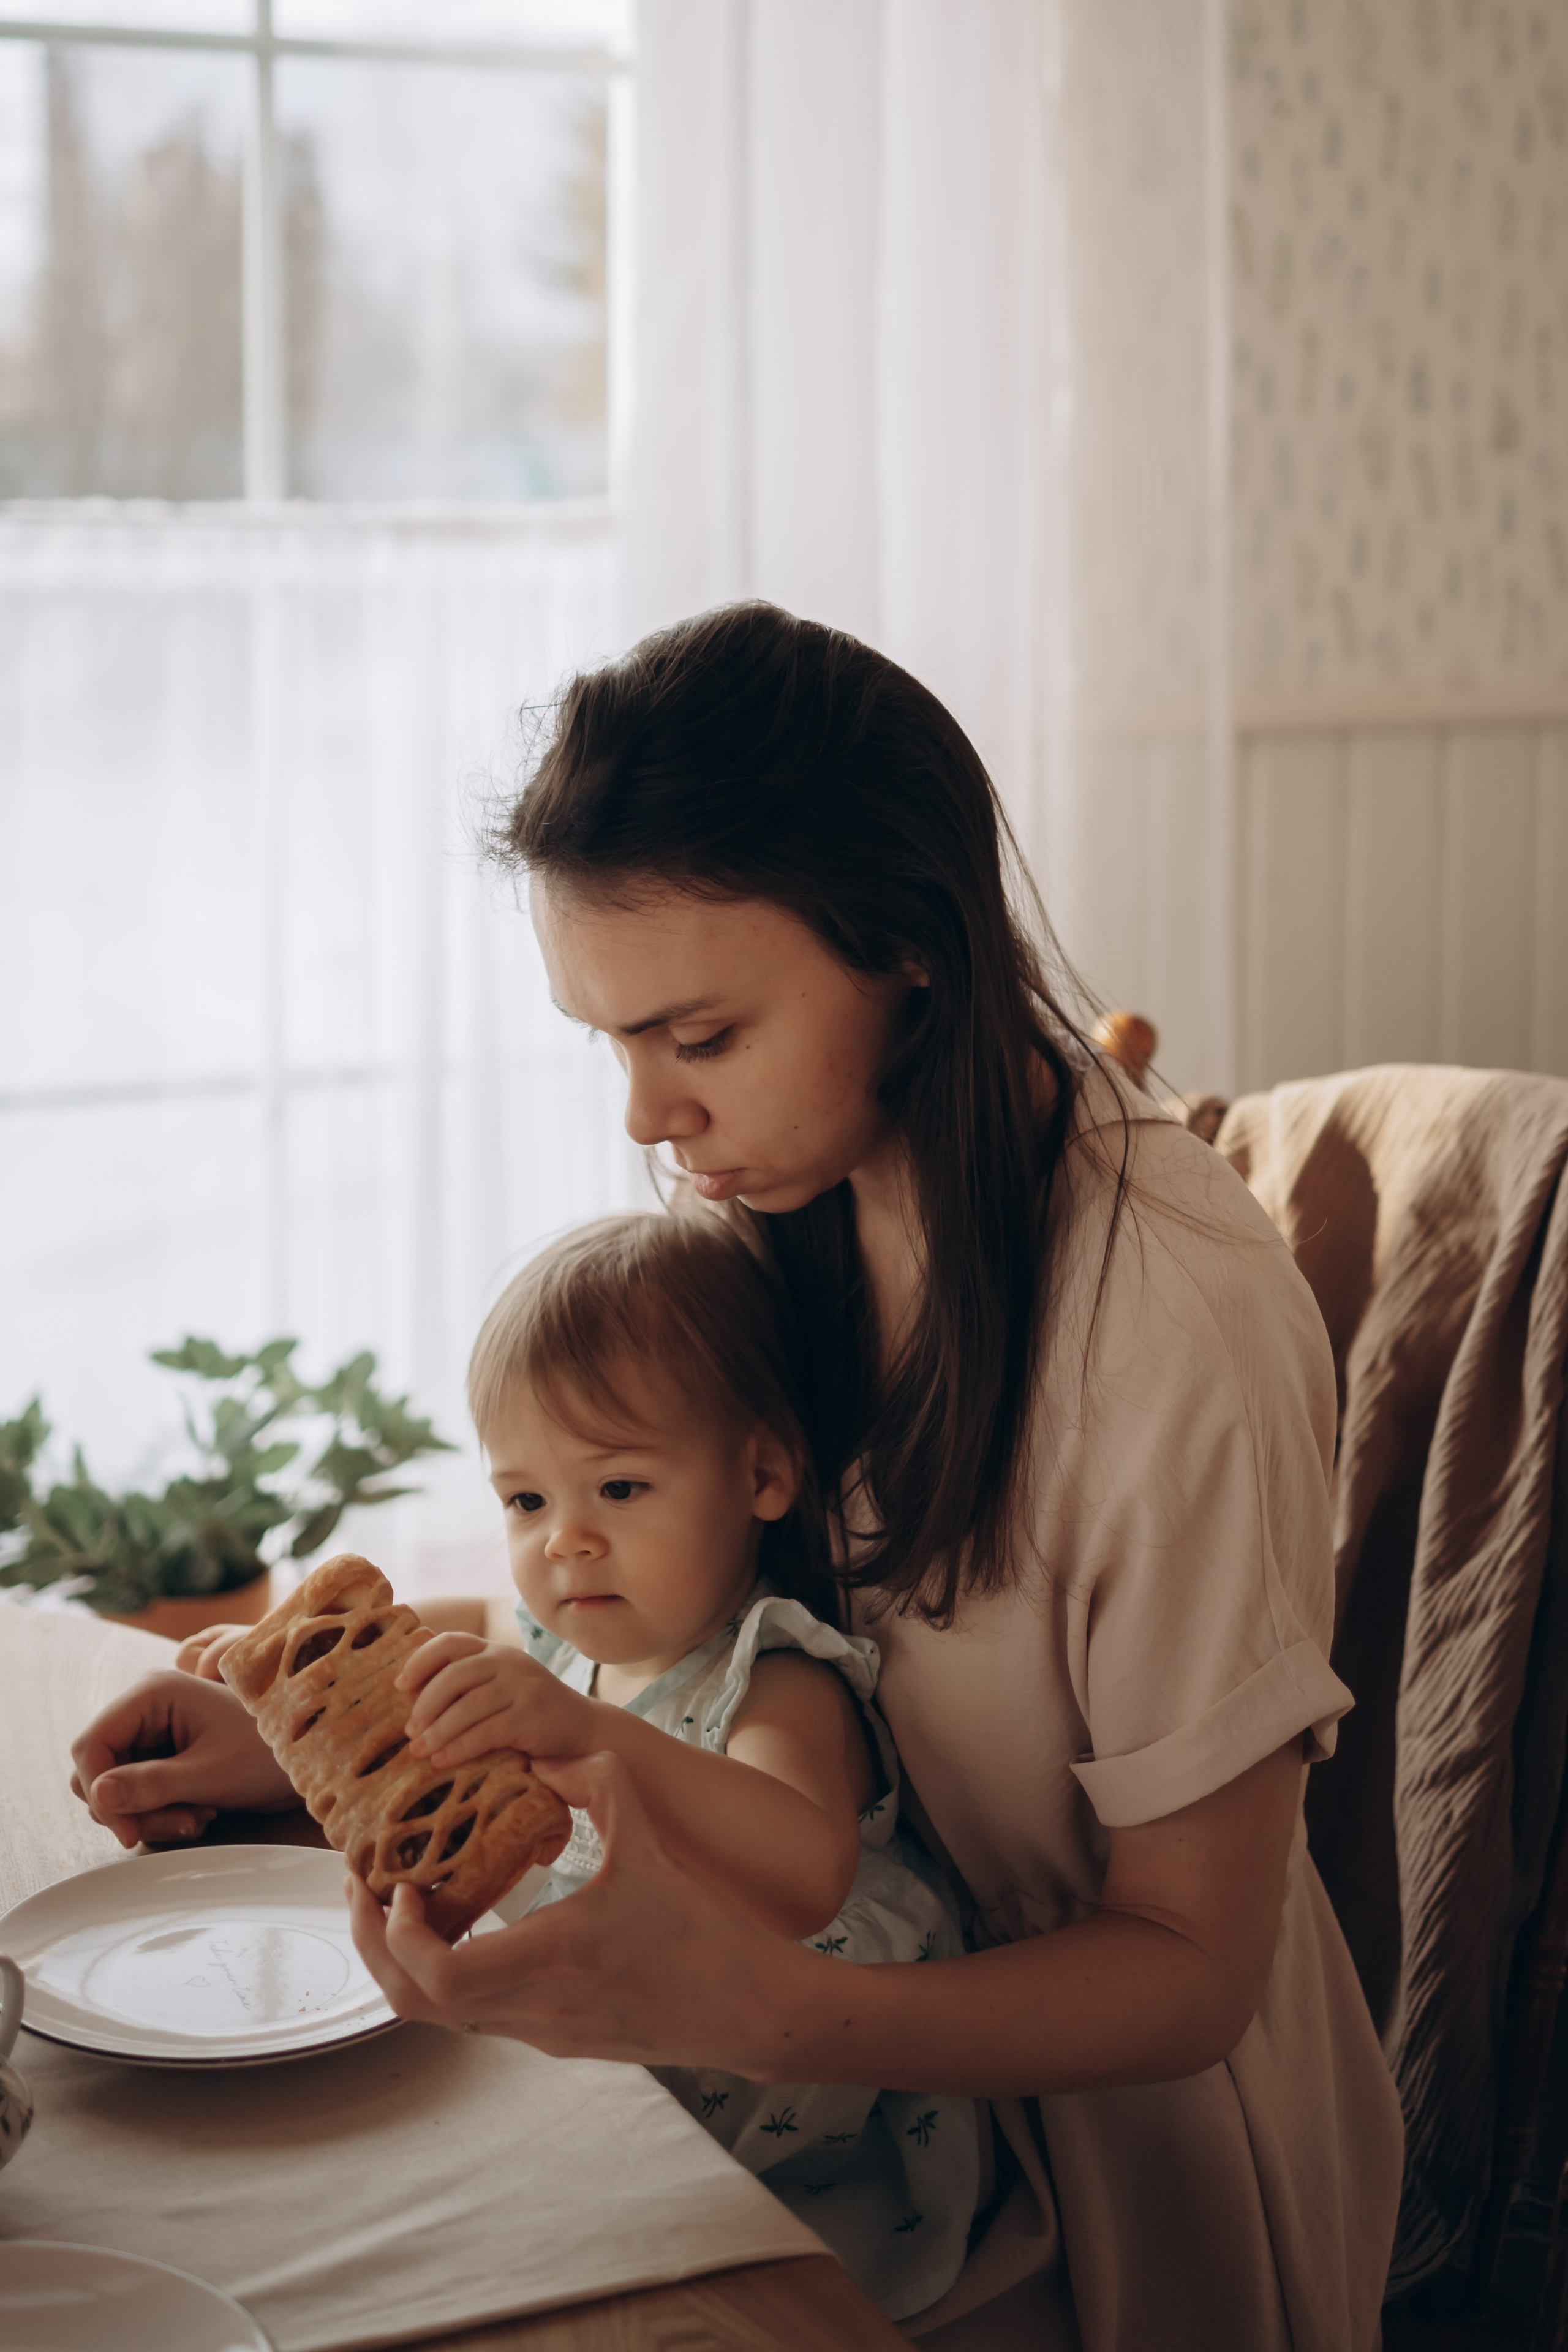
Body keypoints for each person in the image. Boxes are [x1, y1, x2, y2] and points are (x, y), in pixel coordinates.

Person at [70, 603, 1403, 2351]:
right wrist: (359, 1727)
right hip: (838, 2084)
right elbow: (682, 1598)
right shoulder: (795, 1197)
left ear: (908, 949)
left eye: (696, 1039)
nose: (643, 1118)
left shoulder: (1173, 1324)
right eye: (609, 1041)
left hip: (1107, 2175)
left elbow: (1191, 1971)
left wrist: (759, 2003)